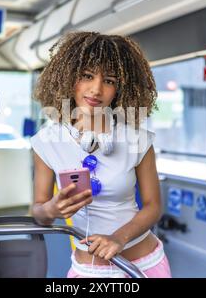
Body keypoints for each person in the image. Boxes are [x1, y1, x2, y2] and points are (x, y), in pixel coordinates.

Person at [30, 31, 171, 278]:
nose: (96, 89)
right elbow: (39, 213)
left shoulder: (137, 139)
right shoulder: (46, 142)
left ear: (120, 88)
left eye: (109, 80)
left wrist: (118, 238)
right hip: (88, 270)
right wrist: (52, 209)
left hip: (143, 265)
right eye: (87, 76)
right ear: (68, 77)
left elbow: (153, 206)